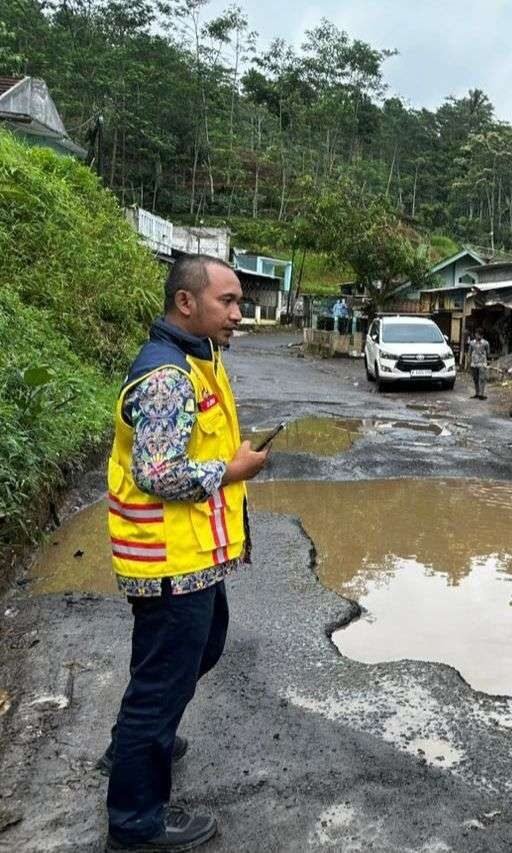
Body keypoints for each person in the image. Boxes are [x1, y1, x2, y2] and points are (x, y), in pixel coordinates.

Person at [101, 255, 269, 851]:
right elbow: (159, 473)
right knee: (163, 684)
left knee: (201, 647)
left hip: (192, 557)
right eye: (228, 301)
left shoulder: (200, 358)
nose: (239, 314)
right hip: (168, 560)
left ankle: (134, 741)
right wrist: (233, 469)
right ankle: (136, 822)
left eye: (239, 301)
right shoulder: (168, 376)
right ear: (186, 304)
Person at [465, 329, 491, 400]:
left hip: (482, 363)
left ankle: (481, 394)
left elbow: (488, 353)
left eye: (479, 334)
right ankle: (477, 393)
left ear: (482, 335)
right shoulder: (472, 343)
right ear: (475, 334)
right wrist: (468, 362)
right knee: (475, 379)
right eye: (477, 334)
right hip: (474, 363)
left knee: (482, 379)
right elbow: (469, 353)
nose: (478, 336)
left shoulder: (485, 343)